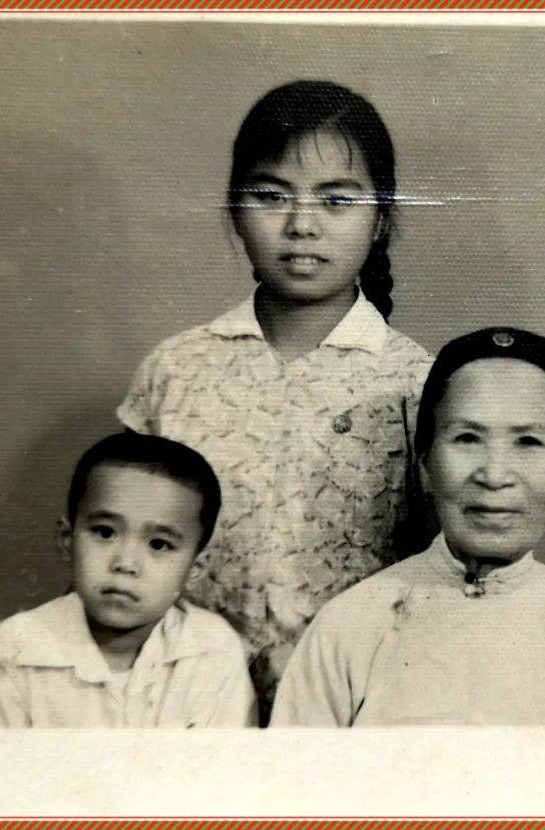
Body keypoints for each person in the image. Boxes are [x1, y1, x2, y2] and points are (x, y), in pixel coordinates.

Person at [115, 81, 433, 720]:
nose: (302, 225)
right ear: (236, 211)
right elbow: (119, 539)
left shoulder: (417, 382)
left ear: (381, 219)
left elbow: (440, 572)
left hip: (353, 702)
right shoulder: (176, 370)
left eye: (337, 200)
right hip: (180, 701)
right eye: (271, 196)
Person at [271, 328, 545, 726]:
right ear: (425, 465)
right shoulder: (347, 626)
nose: (494, 475)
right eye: (467, 438)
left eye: (528, 442)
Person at [0, 432, 256, 728]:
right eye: (105, 532)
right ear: (67, 539)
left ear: (194, 568)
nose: (125, 564)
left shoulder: (213, 650)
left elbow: (225, 757)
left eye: (159, 544)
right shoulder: (15, 647)